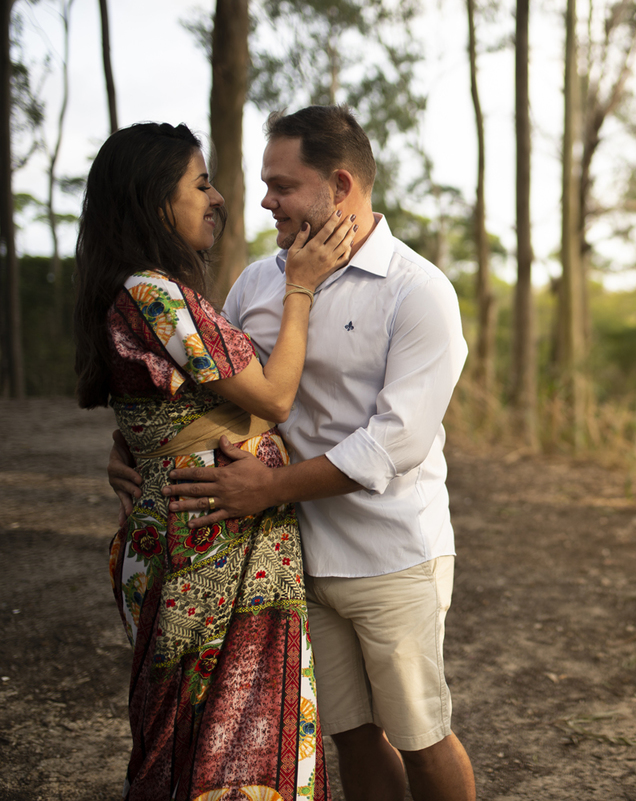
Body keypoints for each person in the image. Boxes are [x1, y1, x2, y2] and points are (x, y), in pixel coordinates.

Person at [108, 106, 475, 801]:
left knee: (422, 733)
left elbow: (395, 442)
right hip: (289, 556)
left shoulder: (418, 290)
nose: (265, 200)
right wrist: (133, 448)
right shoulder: (257, 282)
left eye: (282, 185)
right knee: (352, 734)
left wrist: (268, 489)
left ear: (339, 185)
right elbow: (203, 386)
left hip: (391, 554)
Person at [77, 122, 355, 800]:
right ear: (152, 199)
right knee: (208, 732)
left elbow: (156, 408)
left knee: (203, 730)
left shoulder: (153, 292)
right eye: (199, 183)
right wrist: (301, 285)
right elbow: (276, 395)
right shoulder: (153, 292)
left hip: (199, 530)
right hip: (203, 536)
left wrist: (136, 448)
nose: (220, 197)